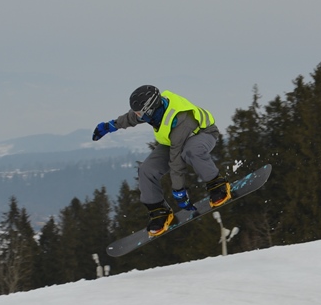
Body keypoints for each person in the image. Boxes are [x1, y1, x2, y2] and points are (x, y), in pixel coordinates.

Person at [92, 85, 231, 237]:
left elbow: (176, 162)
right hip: (173, 141)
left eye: (140, 112)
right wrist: (110, 126)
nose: (138, 115)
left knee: (190, 152)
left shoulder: (178, 118)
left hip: (201, 133)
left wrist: (179, 190)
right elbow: (132, 117)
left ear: (149, 109)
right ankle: (159, 211)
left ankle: (217, 185)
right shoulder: (153, 111)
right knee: (146, 170)